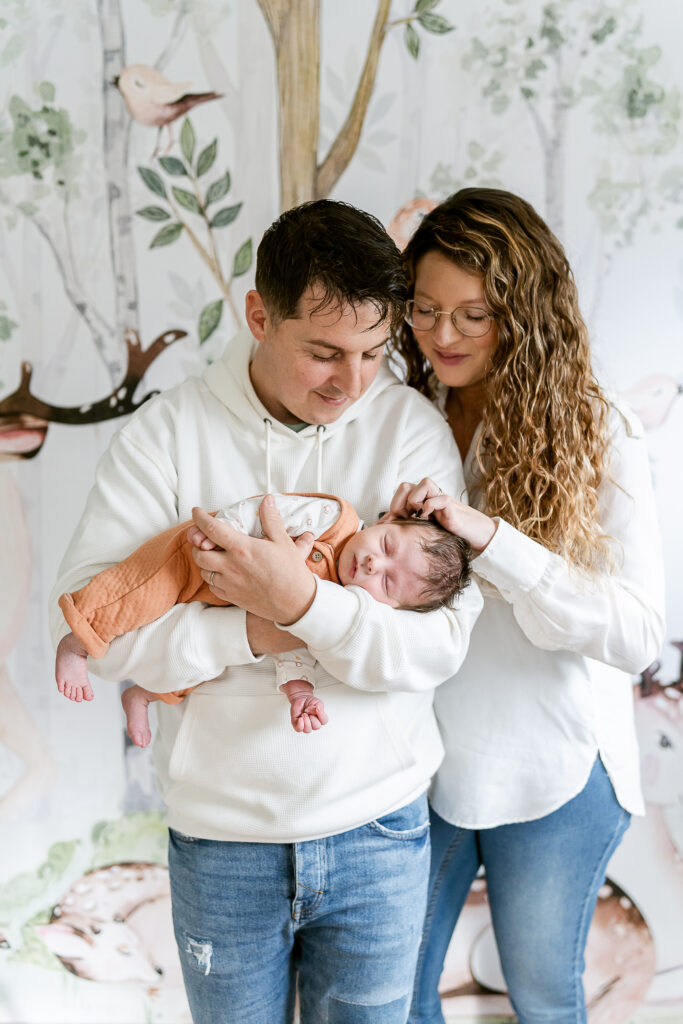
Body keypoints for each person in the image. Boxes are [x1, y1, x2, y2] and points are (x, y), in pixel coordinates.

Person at [49, 199, 483, 1024]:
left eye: (371, 352)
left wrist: (303, 603)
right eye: (323, 352)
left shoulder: (407, 429)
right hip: (223, 845)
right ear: (258, 316)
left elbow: (436, 648)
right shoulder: (164, 436)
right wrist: (255, 626)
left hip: (379, 834)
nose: (350, 383)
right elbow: (93, 634)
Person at [390, 188, 665, 1024]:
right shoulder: (407, 419)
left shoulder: (598, 428)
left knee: (543, 997)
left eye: (471, 314)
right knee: (394, 997)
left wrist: (494, 542)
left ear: (524, 311)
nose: (441, 337)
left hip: (558, 765)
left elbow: (638, 634)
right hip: (422, 763)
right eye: (424, 311)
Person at [55, 491, 471, 743]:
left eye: (388, 584)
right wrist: (221, 529)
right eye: (386, 545)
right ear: (387, 520)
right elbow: (266, 509)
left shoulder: (335, 604)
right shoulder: (334, 519)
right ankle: (76, 643)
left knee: (198, 673)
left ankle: (143, 694)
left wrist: (299, 691)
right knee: (135, 594)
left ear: (391, 610)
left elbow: (291, 651)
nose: (372, 565)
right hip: (196, 557)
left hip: (216, 603)